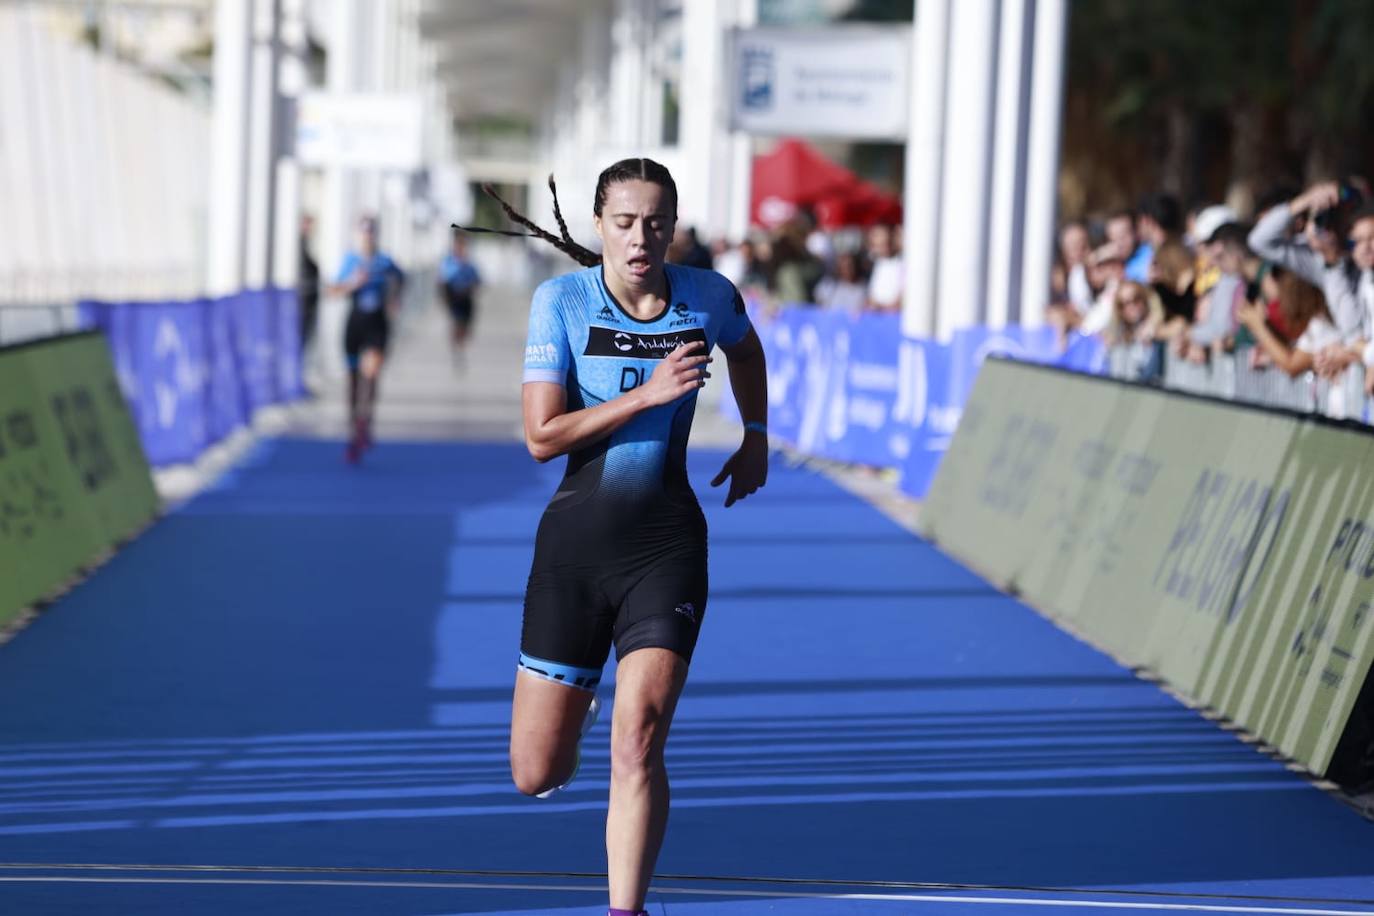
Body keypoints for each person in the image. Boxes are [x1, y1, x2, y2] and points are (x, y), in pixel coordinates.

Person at [459, 158, 769, 916]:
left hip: (666, 547)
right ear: (600, 225)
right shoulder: (561, 301)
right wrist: (650, 396)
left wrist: (756, 431)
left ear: (674, 226)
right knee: (535, 772)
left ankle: (623, 911)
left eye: (656, 223)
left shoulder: (707, 296)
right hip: (575, 552)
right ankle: (583, 698)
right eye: (625, 223)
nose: (641, 238)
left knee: (639, 742)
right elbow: (541, 437)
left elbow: (747, 347)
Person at [328, 214, 404, 463]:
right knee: (352, 381)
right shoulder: (350, 260)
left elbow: (401, 278)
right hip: (355, 323)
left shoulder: (384, 260)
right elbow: (332, 290)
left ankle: (365, 420)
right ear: (357, 235)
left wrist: (394, 298)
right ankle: (354, 427)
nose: (367, 236)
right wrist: (353, 283)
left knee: (370, 375)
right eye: (363, 232)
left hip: (377, 324)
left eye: (371, 232)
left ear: (376, 234)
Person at [438, 229, 482, 365]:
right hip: (454, 297)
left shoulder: (469, 263)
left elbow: (477, 280)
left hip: (466, 298)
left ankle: (460, 342)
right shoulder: (449, 261)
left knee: (466, 328)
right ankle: (456, 347)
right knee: (456, 323)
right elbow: (443, 280)